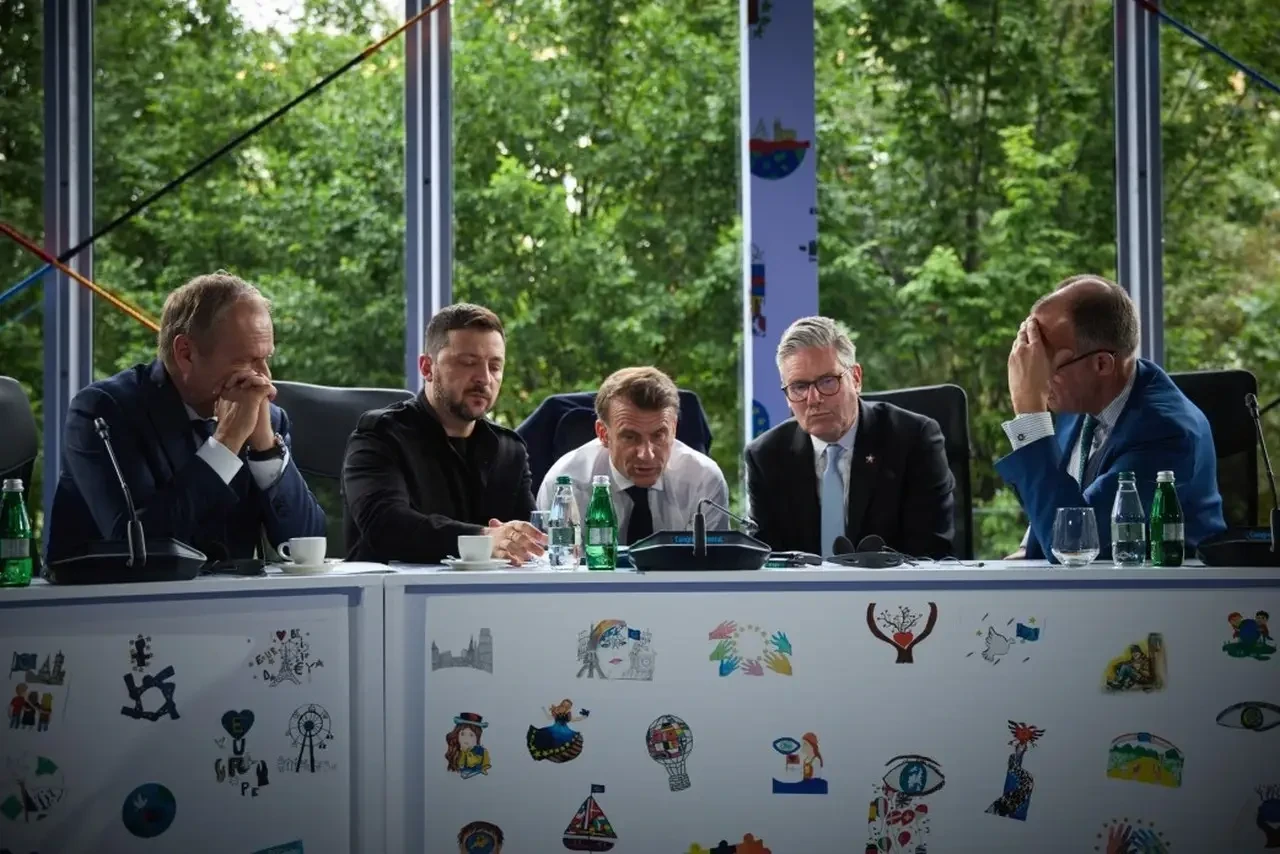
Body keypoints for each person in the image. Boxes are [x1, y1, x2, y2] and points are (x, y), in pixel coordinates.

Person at [46, 272, 326, 564]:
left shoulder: (267, 419)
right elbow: (137, 548)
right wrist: (226, 444)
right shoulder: (103, 411)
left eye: (266, 358)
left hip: (228, 593)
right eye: (246, 360)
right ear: (186, 354)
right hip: (109, 592)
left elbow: (308, 545)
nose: (265, 378)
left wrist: (266, 451)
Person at [998, 275, 1226, 560]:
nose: (1036, 377)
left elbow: (1076, 544)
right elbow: (1058, 494)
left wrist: (1029, 415)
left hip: (1163, 585)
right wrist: (1027, 549)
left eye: (1046, 363)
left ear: (1102, 364)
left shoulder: (1166, 433)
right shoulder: (1079, 401)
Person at [343, 303, 544, 565]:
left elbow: (528, 541)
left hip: (489, 590)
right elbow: (385, 526)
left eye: (495, 367)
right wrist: (484, 539)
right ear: (427, 368)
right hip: (392, 589)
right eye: (468, 363)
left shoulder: (509, 449)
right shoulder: (380, 436)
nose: (484, 378)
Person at [745, 316, 956, 557]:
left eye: (827, 381)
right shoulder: (766, 457)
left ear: (856, 378)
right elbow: (765, 560)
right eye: (799, 387)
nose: (813, 399)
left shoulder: (914, 440)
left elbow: (931, 555)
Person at [536, 367, 729, 542]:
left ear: (674, 429)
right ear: (603, 434)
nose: (647, 455)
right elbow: (556, 565)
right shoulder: (565, 485)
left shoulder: (703, 479)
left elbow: (713, 567)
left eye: (659, 435)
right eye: (630, 437)